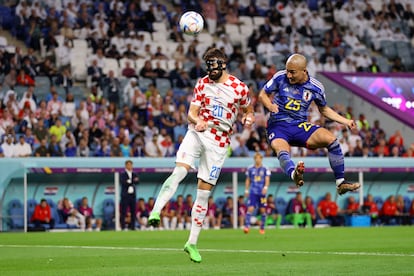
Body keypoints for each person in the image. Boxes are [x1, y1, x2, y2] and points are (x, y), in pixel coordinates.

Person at [148, 48, 255, 263]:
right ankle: (155, 211)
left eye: (214, 67)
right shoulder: (202, 83)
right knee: (180, 170)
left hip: (220, 141)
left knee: (203, 194)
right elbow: (191, 112)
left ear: (223, 64)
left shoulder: (239, 88)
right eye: (208, 67)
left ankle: (192, 243)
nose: (210, 72)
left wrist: (249, 119)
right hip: (198, 132)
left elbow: (248, 110)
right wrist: (196, 120)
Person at [258, 53, 360, 195]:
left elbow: (324, 109)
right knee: (281, 149)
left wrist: (346, 121)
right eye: (287, 71)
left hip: (300, 126)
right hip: (278, 125)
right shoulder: (280, 77)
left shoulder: (316, 87)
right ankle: (294, 174)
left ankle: (340, 183)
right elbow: (262, 94)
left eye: (292, 72)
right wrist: (269, 106)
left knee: (331, 140)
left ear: (304, 71)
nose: (288, 75)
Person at [243, 152, 271, 235]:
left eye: (259, 158)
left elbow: (267, 179)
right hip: (253, 192)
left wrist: (265, 187)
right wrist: (246, 190)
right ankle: (247, 227)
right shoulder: (250, 168)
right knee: (250, 208)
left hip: (261, 193)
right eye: (256, 158)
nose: (257, 160)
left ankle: (262, 228)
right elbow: (248, 180)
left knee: (262, 210)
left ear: (261, 159)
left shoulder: (265, 168)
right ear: (254, 159)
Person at [120, 160, 139, 230]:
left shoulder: (134, 173)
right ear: (126, 166)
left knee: (133, 211)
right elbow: (123, 182)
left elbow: (137, 181)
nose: (130, 166)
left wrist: (130, 181)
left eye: (131, 165)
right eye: (128, 165)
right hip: (125, 195)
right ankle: (123, 227)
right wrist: (132, 181)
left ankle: (133, 227)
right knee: (124, 211)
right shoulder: (123, 174)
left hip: (132, 195)